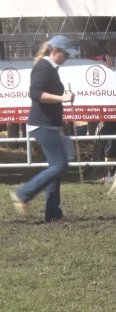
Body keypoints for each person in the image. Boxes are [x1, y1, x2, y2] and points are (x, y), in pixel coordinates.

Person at [10, 35, 77, 223]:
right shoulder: (43, 67)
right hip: (42, 124)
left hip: (49, 124)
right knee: (60, 164)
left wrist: (59, 125)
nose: (67, 58)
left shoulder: (50, 68)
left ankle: (52, 212)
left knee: (55, 167)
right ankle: (24, 194)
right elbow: (35, 94)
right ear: (55, 51)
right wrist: (62, 98)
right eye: (66, 54)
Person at [88, 39, 116, 182]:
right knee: (111, 141)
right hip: (109, 109)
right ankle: (110, 173)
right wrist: (103, 57)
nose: (114, 45)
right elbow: (86, 58)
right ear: (106, 45)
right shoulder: (100, 59)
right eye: (111, 43)